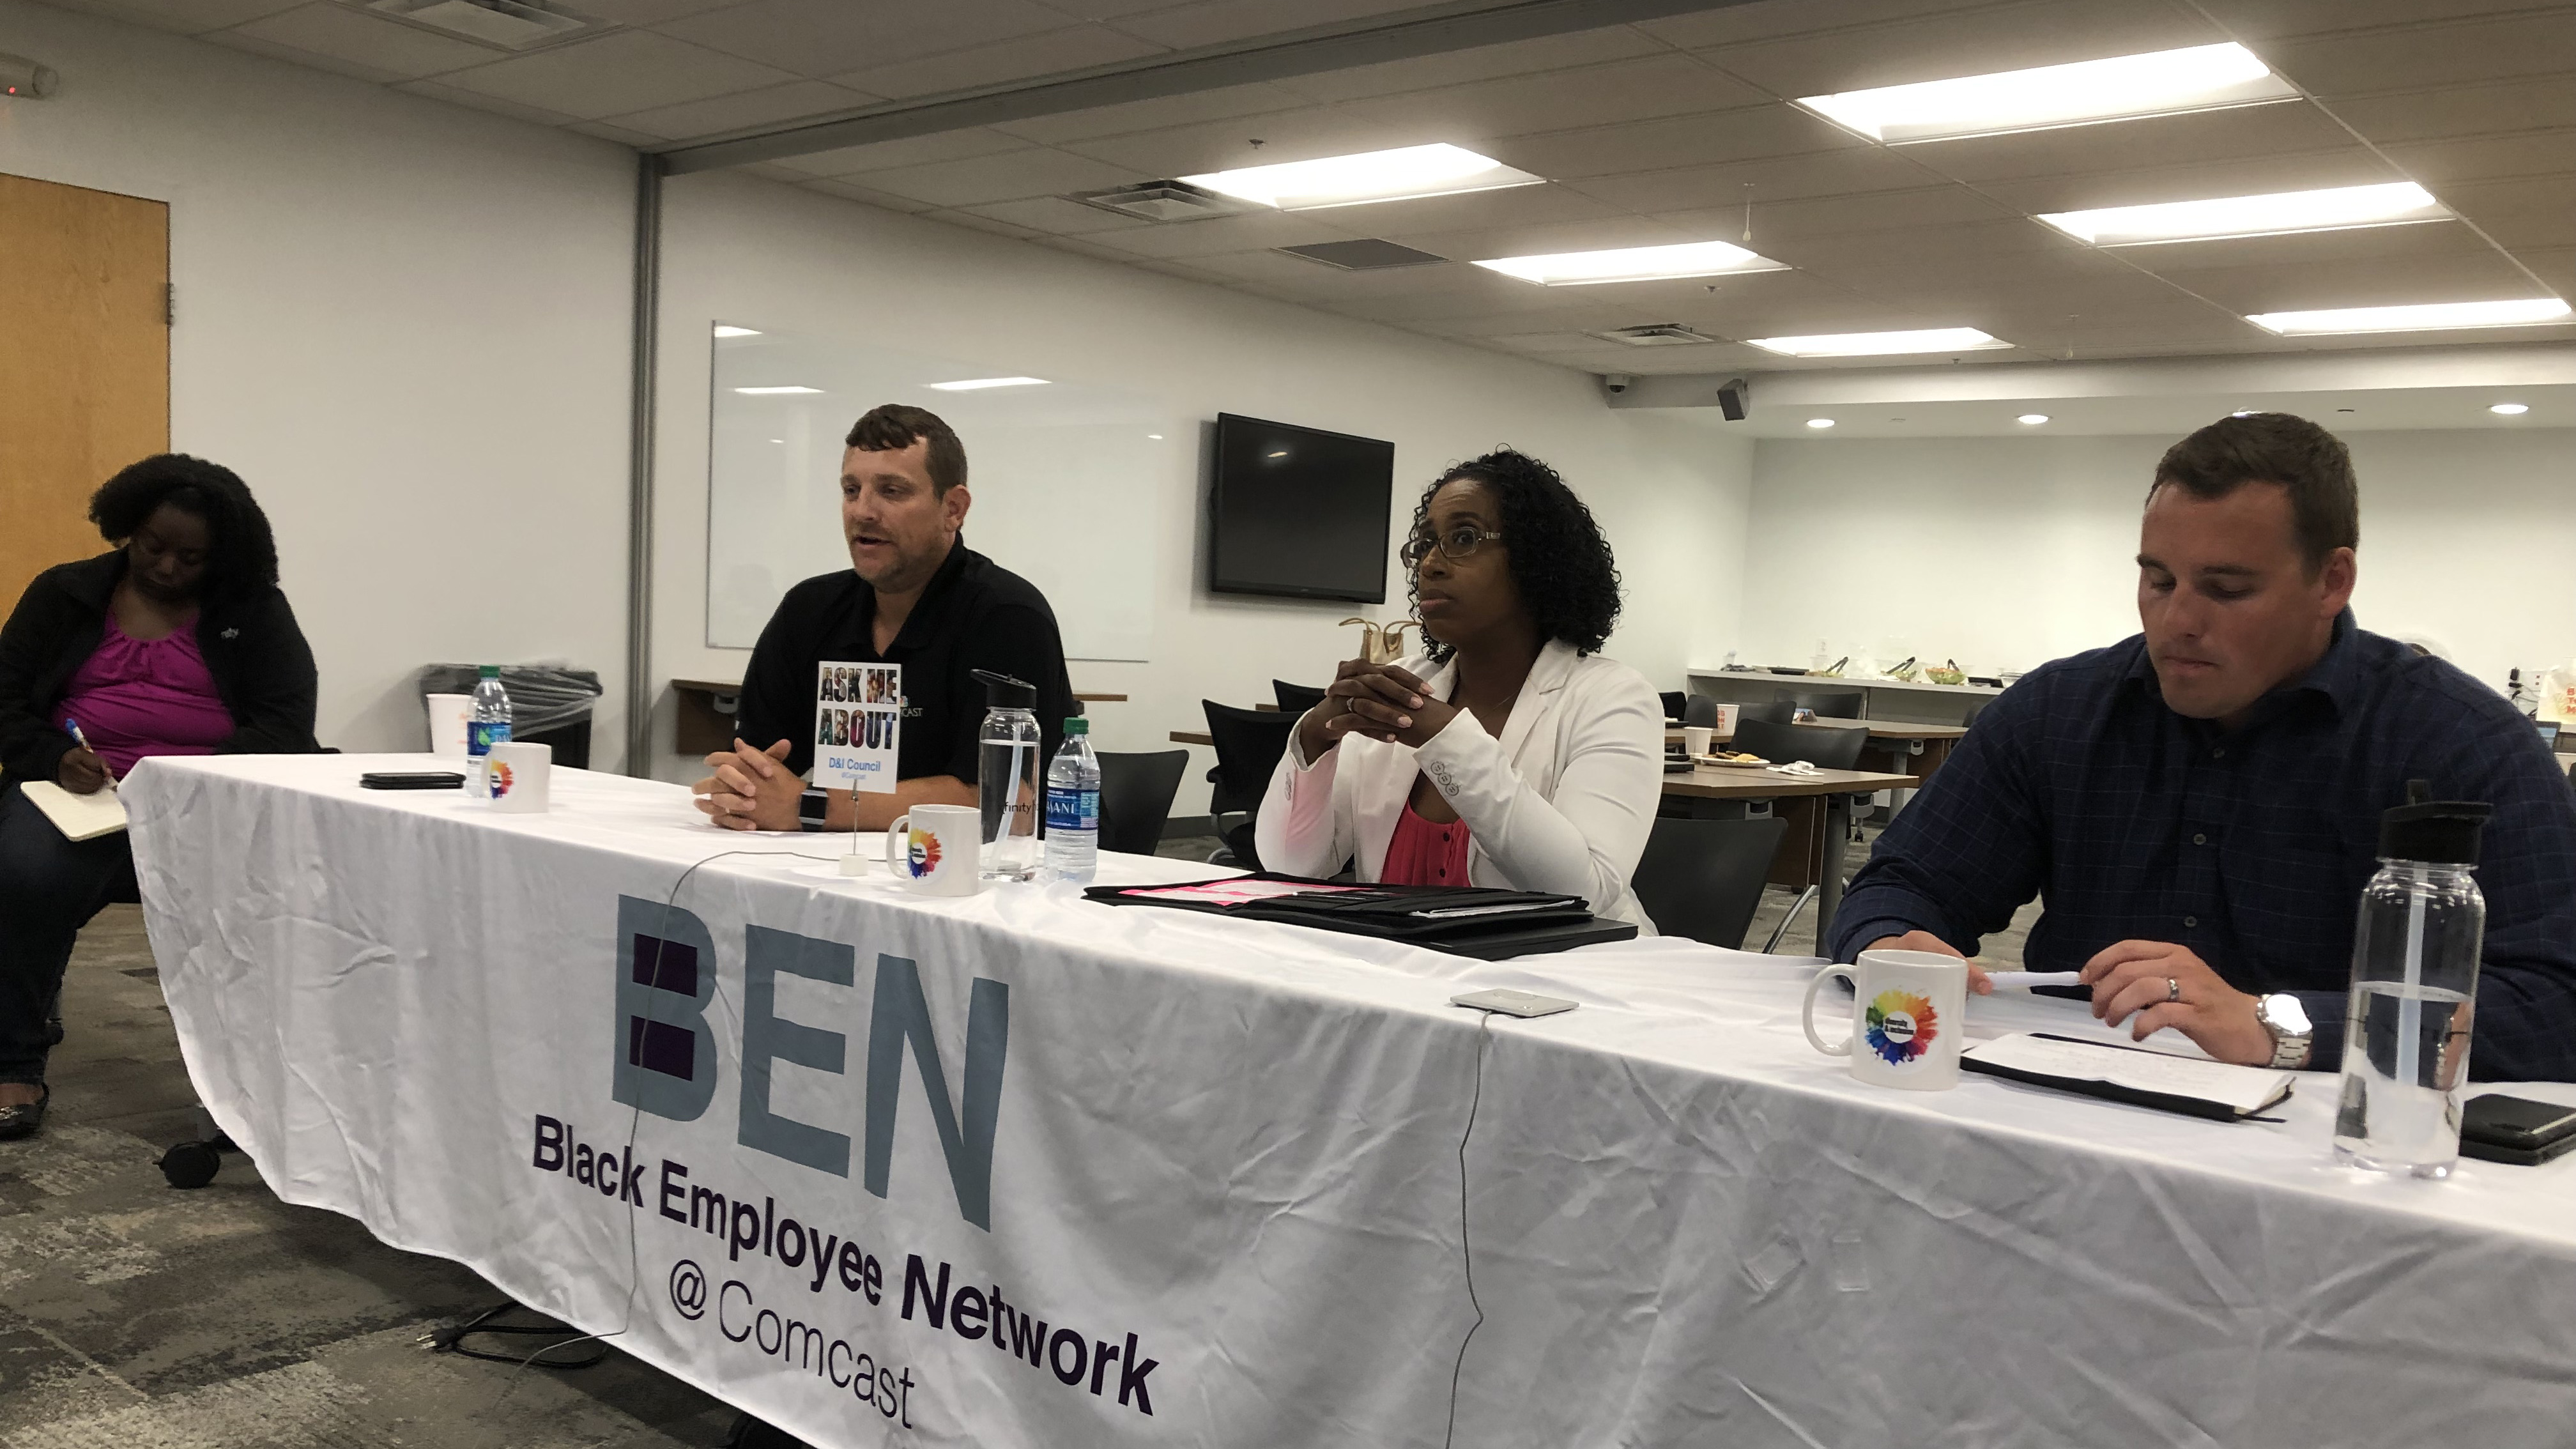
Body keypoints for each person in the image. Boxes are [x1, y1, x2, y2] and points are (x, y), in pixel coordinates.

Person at [1832, 413, 2576, 1081]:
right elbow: (1901, 884)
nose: (2177, 621)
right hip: (2066, 1126)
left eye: (2226, 590)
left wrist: (2277, 1023)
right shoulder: (2057, 713)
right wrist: (1892, 941)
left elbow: (2553, 1007)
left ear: (2332, 581)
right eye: (2158, 580)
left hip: (2339, 1161)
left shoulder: (2461, 745)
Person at [0, 454, 318, 1137]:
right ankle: (14, 1062)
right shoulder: (66, 594)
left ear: (222, 555)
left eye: (191, 557)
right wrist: (54, 755)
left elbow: (287, 722)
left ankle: (249, 1081)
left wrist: (197, 776)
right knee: (24, 874)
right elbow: (5, 701)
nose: (168, 567)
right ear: (126, 529)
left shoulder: (253, 609)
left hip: (204, 803)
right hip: (79, 795)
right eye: (153, 547)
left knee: (275, 896)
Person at [1255, 448, 1663, 928]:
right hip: (1407, 980)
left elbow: (1582, 893)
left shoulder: (1612, 697)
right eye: (1426, 544)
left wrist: (1446, 740)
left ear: (1536, 558)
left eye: (1464, 538)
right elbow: (1291, 866)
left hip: (1564, 986)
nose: (1430, 564)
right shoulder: (1402, 691)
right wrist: (1315, 738)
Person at [696, 404, 1073, 832]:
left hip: (997, 877)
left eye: (892, 491)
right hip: (845, 861)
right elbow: (757, 763)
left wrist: (810, 807)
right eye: (851, 489)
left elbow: (1005, 804)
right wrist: (743, 788)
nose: (863, 511)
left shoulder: (1007, 616)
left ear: (953, 508)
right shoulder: (810, 609)